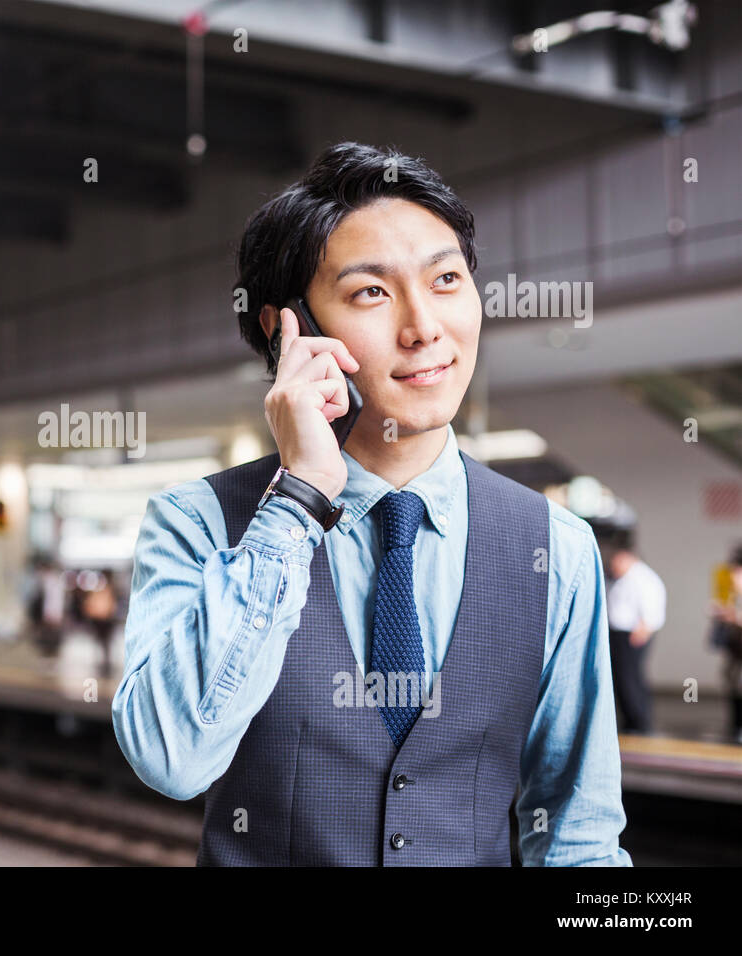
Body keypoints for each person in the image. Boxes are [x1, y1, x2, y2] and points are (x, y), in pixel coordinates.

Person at [112, 142, 631, 866]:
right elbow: (169, 758)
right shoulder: (198, 522)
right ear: (285, 327)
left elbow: (577, 835)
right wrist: (295, 504)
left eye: (447, 279)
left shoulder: (557, 546)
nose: (424, 327)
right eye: (371, 293)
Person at [601, 529, 666, 735]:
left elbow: (653, 607)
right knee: (620, 678)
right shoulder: (618, 578)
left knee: (631, 677)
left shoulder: (644, 578)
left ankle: (639, 720)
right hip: (617, 633)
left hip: (633, 633)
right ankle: (629, 719)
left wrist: (645, 627)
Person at [709, 545, 742, 744]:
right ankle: (736, 726)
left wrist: (735, 617)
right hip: (735, 650)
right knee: (733, 685)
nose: (733, 577)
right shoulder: (731, 593)